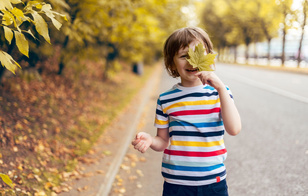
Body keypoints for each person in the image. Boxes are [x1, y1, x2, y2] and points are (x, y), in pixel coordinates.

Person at [132, 27, 241, 196]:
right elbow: (162, 141)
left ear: (209, 58)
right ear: (171, 63)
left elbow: (234, 129)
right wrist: (150, 140)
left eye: (198, 54)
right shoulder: (165, 99)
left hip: (213, 182)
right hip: (176, 184)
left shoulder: (220, 93)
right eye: (184, 56)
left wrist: (220, 88)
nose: (192, 61)